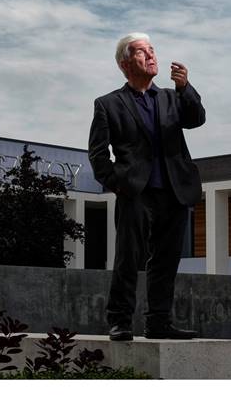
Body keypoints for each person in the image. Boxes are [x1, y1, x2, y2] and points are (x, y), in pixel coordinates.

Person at [88, 32, 206, 340]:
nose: (151, 55)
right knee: (129, 257)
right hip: (135, 191)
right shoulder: (108, 104)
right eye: (142, 52)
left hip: (174, 190)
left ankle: (158, 322)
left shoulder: (170, 97)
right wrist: (118, 183)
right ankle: (120, 321)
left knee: (166, 260)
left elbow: (196, 119)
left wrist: (185, 87)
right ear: (126, 64)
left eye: (152, 50)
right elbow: (98, 155)